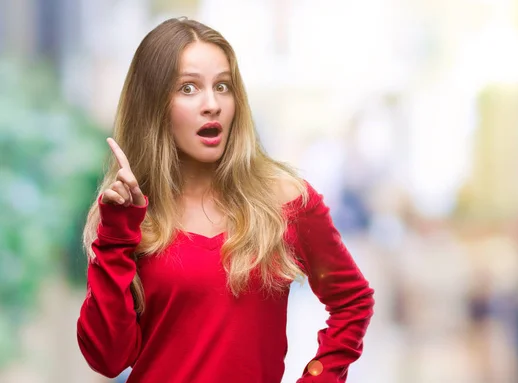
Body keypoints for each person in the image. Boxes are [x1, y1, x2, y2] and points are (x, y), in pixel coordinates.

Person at [76, 17, 375, 383]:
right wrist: (116, 233)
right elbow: (108, 359)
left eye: (223, 86)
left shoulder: (284, 201)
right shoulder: (128, 217)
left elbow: (352, 303)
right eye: (188, 88)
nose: (212, 104)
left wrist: (319, 377)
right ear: (153, 104)